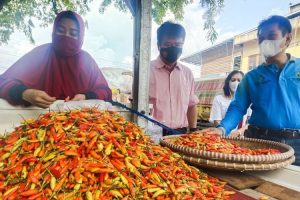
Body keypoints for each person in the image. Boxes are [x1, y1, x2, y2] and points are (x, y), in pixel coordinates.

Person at [209, 15, 300, 166]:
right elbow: (238, 107)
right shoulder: (252, 77)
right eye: (261, 39)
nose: (265, 42)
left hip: (297, 143)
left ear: (288, 38)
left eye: (271, 36)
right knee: (258, 185)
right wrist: (222, 129)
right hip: (260, 140)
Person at [0, 11, 112, 108]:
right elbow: (3, 81)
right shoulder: (40, 53)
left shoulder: (87, 61)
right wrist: (25, 93)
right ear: (53, 31)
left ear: (81, 37)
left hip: (80, 125)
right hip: (38, 121)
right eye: (61, 30)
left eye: (73, 33)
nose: (66, 36)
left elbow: (105, 91)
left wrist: (86, 97)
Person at [149, 21, 199, 136]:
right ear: (158, 45)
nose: (173, 48)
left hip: (179, 134)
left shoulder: (187, 73)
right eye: (167, 44)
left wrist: (193, 130)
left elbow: (191, 105)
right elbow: (136, 103)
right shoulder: (145, 71)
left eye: (177, 45)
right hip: (152, 133)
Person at [209, 70, 251, 136]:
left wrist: (238, 133)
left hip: (242, 137)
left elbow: (249, 122)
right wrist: (223, 131)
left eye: (239, 80)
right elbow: (217, 121)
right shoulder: (219, 99)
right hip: (224, 136)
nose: (236, 83)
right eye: (233, 80)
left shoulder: (248, 100)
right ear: (228, 82)